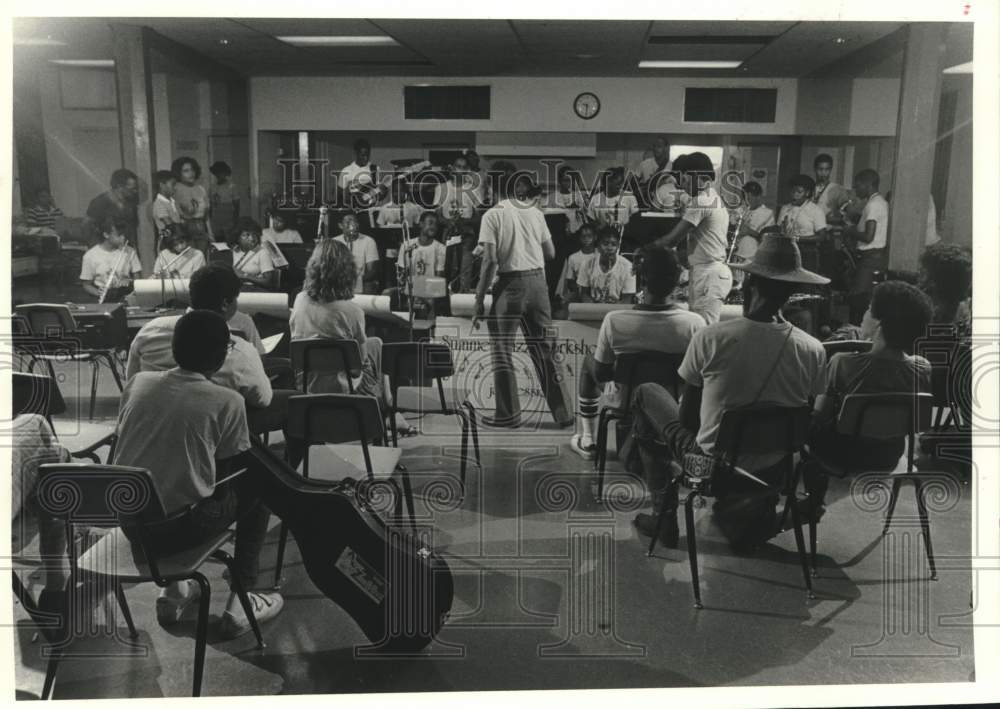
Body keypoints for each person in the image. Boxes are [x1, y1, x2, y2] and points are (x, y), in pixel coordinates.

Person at [625, 233, 828, 551]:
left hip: (706, 472)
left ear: (749, 283)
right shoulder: (814, 349)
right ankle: (752, 513)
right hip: (771, 473)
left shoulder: (711, 338)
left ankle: (662, 513)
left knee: (647, 393)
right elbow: (807, 419)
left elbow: (688, 420)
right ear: (792, 292)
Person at [113, 310, 283, 638]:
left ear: (175, 348)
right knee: (260, 486)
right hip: (179, 530)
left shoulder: (138, 383)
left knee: (169, 478)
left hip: (132, 525)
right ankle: (242, 600)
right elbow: (222, 484)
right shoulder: (228, 401)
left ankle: (175, 591)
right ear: (221, 356)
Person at [569, 246, 704, 459]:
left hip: (625, 401)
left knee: (589, 362)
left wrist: (630, 370)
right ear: (677, 281)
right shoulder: (695, 323)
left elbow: (602, 374)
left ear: (641, 280)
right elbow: (697, 376)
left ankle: (588, 440)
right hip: (673, 405)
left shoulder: (615, 320)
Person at [474, 161, 573, 428]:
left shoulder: (492, 215)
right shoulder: (534, 211)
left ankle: (508, 415)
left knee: (502, 351)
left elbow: (490, 262)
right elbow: (551, 253)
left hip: (510, 285)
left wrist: (478, 300)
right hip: (539, 283)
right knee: (545, 350)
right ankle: (564, 414)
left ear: (491, 185)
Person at [289, 239, 414, 435]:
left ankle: (389, 410)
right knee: (376, 351)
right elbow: (358, 367)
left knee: (376, 344)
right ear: (346, 272)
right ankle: (389, 409)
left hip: (307, 382)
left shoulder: (300, 299)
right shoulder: (352, 311)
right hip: (344, 386)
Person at [126, 264, 273, 410]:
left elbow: (131, 379)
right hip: (214, 419)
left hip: (156, 413)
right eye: (235, 299)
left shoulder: (152, 330)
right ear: (225, 304)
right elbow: (263, 399)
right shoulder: (240, 350)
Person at [653, 152, 732, 325]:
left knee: (704, 333)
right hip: (706, 271)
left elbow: (671, 241)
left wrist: (647, 248)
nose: (683, 183)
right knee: (700, 333)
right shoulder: (712, 198)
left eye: (686, 177)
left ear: (699, 177)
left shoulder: (701, 202)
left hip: (709, 272)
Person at [842, 169, 889, 324]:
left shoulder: (873, 205)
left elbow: (869, 237)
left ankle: (855, 334)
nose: (855, 191)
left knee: (858, 299)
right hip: (874, 258)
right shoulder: (879, 202)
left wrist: (849, 230)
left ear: (868, 185)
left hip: (870, 259)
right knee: (862, 300)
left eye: (857, 187)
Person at [388, 211, 447, 317]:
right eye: (430, 223)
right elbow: (402, 275)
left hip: (430, 293)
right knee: (388, 295)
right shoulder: (407, 245)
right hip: (410, 291)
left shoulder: (441, 248)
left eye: (436, 225)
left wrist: (423, 297)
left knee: (431, 303)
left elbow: (438, 280)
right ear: (421, 224)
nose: (433, 227)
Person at [79, 216, 142, 301]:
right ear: (106, 235)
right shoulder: (90, 255)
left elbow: (137, 280)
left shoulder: (130, 252)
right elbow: (86, 285)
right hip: (105, 298)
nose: (123, 238)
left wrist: (131, 286)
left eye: (124, 234)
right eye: (119, 235)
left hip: (126, 296)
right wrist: (97, 292)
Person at [918, 242, 972, 335]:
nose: (919, 277)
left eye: (923, 272)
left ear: (933, 282)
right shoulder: (963, 313)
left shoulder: (929, 319)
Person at [777, 174, 828, 272]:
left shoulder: (815, 210)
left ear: (807, 193)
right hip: (787, 251)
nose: (794, 195)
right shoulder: (785, 208)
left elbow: (822, 236)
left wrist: (798, 239)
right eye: (792, 191)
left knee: (804, 284)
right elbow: (780, 229)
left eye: (799, 192)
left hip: (807, 252)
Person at [576, 226, 636, 304]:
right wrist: (594, 310)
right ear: (598, 245)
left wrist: (608, 311)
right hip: (592, 310)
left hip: (616, 311)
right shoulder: (586, 264)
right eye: (605, 244)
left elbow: (627, 300)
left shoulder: (628, 267)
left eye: (613, 244)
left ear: (618, 246)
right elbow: (584, 294)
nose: (609, 248)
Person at [86, 168, 139, 244]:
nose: (135, 191)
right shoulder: (99, 203)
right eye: (132, 189)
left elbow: (132, 231)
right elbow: (88, 230)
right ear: (120, 186)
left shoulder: (130, 205)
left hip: (125, 249)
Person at [333, 211, 380, 294]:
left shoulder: (368, 241)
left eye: (354, 222)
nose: (352, 226)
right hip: (338, 284)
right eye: (348, 222)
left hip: (361, 284)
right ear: (340, 226)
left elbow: (372, 271)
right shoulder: (334, 242)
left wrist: (354, 281)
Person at [172, 157, 212, 253]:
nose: (191, 173)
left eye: (192, 169)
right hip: (185, 229)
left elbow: (206, 215)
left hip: (201, 228)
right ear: (179, 173)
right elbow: (176, 214)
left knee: (202, 260)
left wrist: (210, 233)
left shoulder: (201, 189)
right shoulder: (176, 189)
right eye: (186, 171)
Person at [232, 218, 278, 291]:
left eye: (254, 234)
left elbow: (268, 281)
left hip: (254, 290)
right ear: (237, 238)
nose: (251, 238)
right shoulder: (233, 251)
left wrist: (245, 276)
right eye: (246, 235)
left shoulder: (262, 253)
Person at [556, 222, 598, 303]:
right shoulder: (573, 257)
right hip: (580, 291)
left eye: (589, 236)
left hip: (597, 289)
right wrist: (579, 291)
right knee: (563, 303)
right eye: (583, 236)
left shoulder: (600, 254)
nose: (586, 239)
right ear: (580, 238)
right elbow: (570, 280)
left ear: (595, 237)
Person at [339, 138, 381, 209]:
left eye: (368, 155)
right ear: (356, 153)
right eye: (363, 155)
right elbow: (341, 194)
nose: (366, 158)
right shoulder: (346, 170)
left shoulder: (374, 169)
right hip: (353, 209)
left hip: (369, 208)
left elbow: (378, 190)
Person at [811, 153, 849, 224]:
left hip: (828, 229)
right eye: (820, 169)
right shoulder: (809, 187)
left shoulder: (838, 189)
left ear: (831, 169)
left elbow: (845, 215)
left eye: (827, 169)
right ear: (815, 169)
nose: (823, 173)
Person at [209, 161, 240, 240]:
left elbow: (236, 205)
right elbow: (210, 205)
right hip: (216, 219)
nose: (220, 175)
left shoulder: (232, 186)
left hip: (228, 218)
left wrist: (235, 220)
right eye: (217, 173)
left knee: (229, 239)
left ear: (226, 173)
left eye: (222, 173)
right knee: (218, 240)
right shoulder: (212, 187)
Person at [151, 169, 182, 243]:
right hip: (167, 240)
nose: (175, 188)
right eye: (173, 184)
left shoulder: (173, 201)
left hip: (177, 238)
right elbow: (168, 223)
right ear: (162, 185)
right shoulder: (159, 203)